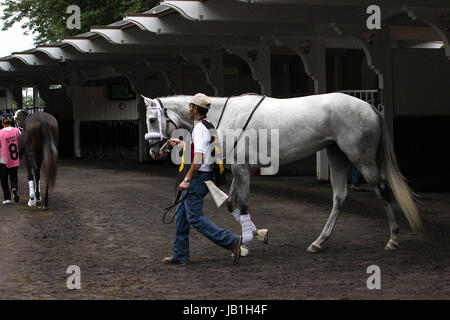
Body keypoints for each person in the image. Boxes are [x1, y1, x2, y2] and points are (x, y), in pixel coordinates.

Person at [164, 93, 242, 265]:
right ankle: (180, 255)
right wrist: (182, 144)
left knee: (194, 217)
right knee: (182, 216)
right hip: (203, 176)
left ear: (194, 109)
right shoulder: (207, 125)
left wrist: (187, 178)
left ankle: (231, 241)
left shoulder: (199, 128)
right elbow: (203, 151)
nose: (188, 109)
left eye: (190, 106)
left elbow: (198, 157)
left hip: (197, 177)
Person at [0, 113, 21, 205]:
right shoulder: (17, 131)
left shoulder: (0, 132)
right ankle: (14, 188)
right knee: (13, 176)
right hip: (14, 158)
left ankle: (7, 198)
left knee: (3, 179)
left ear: (2, 122)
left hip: (3, 159)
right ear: (11, 121)